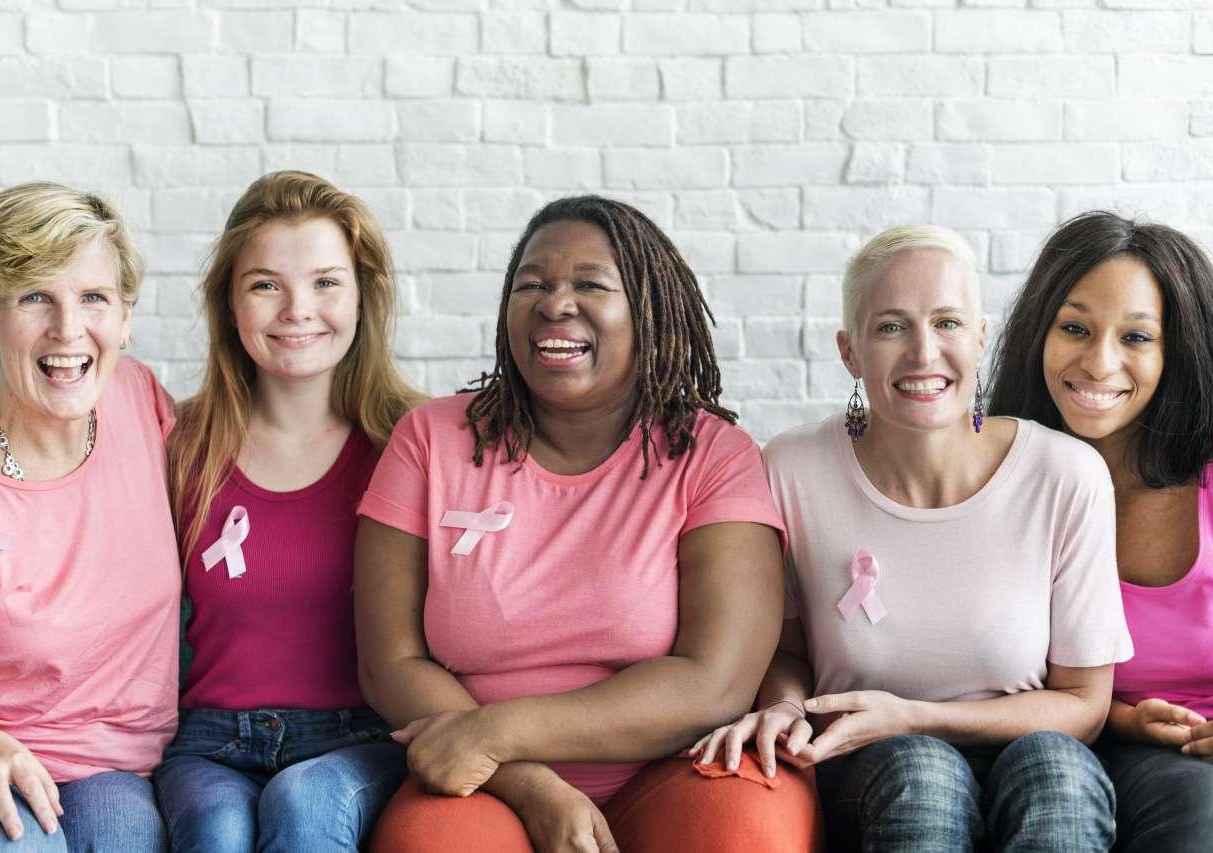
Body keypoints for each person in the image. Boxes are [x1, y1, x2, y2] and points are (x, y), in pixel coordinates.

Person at [356, 195, 821, 852]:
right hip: (484, 780)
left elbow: (714, 680)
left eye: (590, 285)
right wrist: (527, 780)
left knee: (747, 834)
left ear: (648, 312)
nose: (555, 303)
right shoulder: (429, 440)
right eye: (532, 285)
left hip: (674, 765)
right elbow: (389, 662)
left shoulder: (715, 456)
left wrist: (497, 732)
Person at [694, 225, 1133, 852]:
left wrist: (919, 715)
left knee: (1056, 770)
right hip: (872, 768)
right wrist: (787, 707)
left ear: (982, 339)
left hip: (1030, 756)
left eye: (948, 323)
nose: (924, 352)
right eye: (891, 327)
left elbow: (1084, 705)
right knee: (924, 773)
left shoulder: (1065, 476)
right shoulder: (790, 469)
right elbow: (786, 653)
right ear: (850, 352)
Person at [154, 171, 421, 852]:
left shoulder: (412, 444)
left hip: (358, 739)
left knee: (304, 805)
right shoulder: (179, 444)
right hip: (210, 742)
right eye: (266, 284)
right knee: (217, 830)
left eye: (326, 282)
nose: (297, 308)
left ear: (363, 297)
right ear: (230, 304)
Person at [0, 182, 177, 851]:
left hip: (112, 767)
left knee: (125, 836)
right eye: (35, 296)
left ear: (124, 317)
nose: (68, 329)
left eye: (93, 297)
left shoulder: (138, 402)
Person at [989, 211, 1213, 852]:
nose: (1099, 363)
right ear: (1040, 333)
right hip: (1058, 748)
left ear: (1179, 350)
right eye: (1075, 328)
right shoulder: (995, 474)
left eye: (1137, 338)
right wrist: (1126, 721)